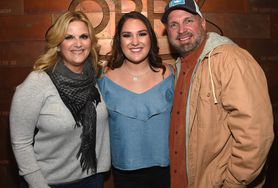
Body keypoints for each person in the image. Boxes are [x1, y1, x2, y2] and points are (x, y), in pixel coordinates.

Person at [161, 0, 274, 187]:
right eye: (174, 24)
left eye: (188, 20)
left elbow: (256, 134)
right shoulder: (179, 67)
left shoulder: (231, 59)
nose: (181, 29)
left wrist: (232, 182)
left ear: (203, 23)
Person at [9, 11, 110, 188]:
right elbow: (20, 142)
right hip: (50, 183)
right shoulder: (37, 82)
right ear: (57, 45)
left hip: (92, 179)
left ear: (91, 43)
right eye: (69, 37)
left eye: (83, 36)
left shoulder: (95, 77)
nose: (78, 44)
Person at [98, 11, 174, 188]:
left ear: (151, 38)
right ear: (119, 40)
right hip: (124, 176)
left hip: (168, 173)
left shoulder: (171, 75)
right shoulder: (103, 80)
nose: (135, 42)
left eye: (142, 34)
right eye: (127, 35)